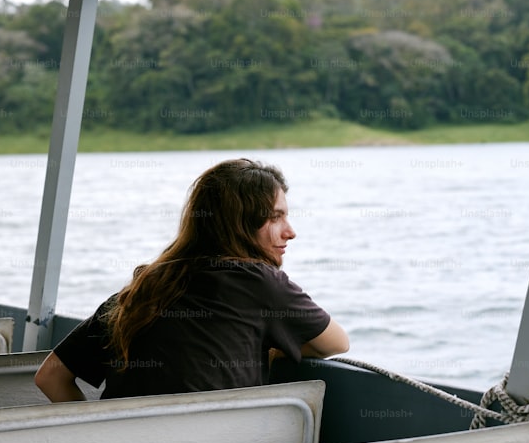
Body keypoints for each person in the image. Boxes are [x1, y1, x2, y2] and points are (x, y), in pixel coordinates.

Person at [34, 158, 349, 402]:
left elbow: (50, 376)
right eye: (275, 217)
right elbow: (336, 343)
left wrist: (93, 435)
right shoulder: (258, 281)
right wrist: (276, 350)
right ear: (240, 223)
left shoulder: (141, 289)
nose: (290, 231)